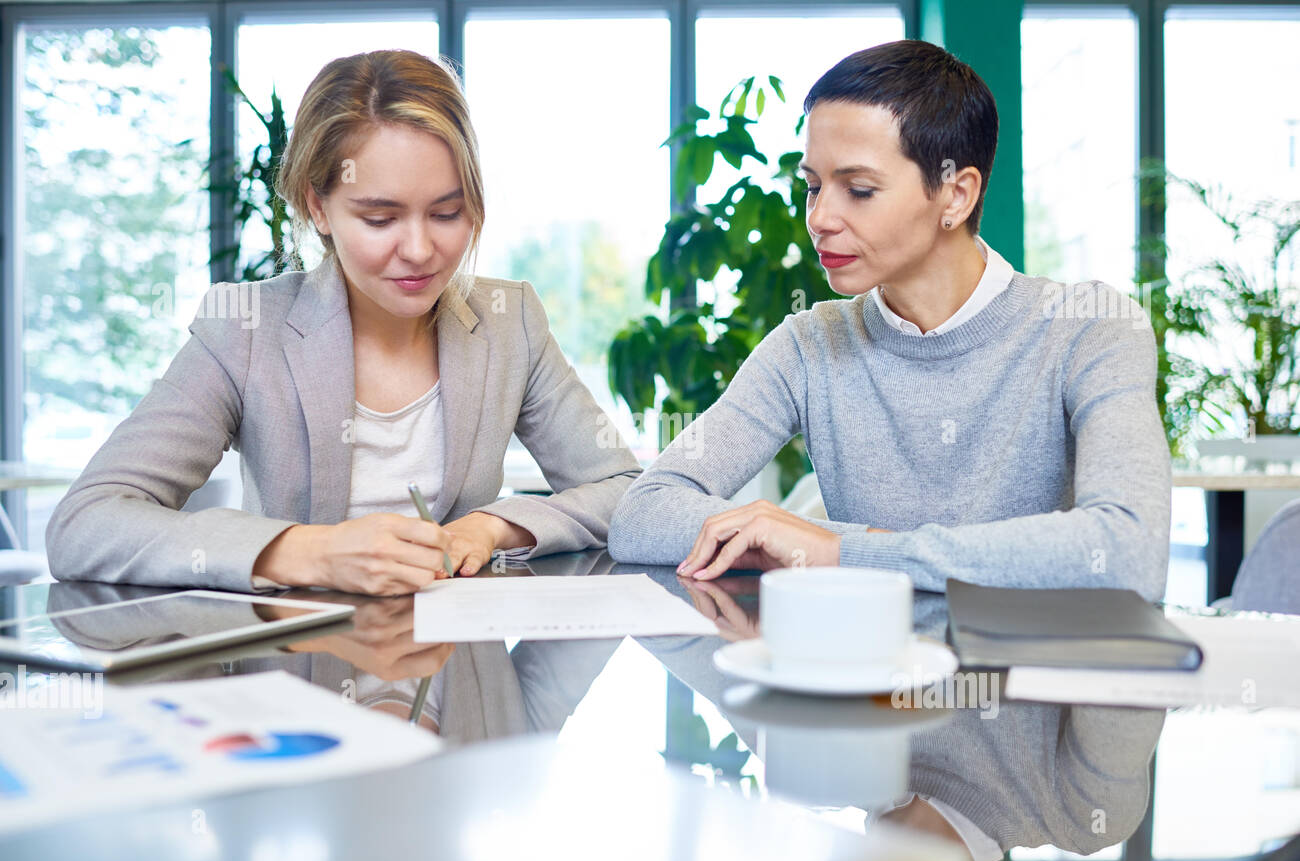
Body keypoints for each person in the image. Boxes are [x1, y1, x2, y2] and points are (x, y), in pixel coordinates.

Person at [46, 49, 640, 596]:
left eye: (447, 212)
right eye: (380, 218)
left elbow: (627, 492)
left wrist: (491, 526)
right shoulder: (247, 330)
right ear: (316, 205)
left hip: (461, 684)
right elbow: (86, 523)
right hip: (299, 682)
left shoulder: (511, 323)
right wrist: (309, 553)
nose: (419, 249)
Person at [607, 39, 1171, 601]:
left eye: (858, 190)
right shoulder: (810, 344)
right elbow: (645, 512)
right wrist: (833, 544)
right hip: (869, 682)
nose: (820, 218)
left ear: (955, 195)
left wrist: (840, 552)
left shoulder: (1089, 327)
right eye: (812, 186)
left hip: (1035, 681)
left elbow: (1128, 551)